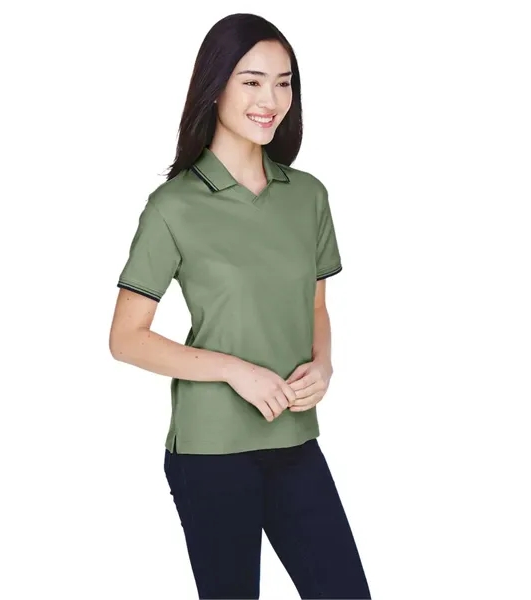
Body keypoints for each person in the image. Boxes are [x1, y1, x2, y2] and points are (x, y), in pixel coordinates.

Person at [109, 12, 372, 600]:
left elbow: (316, 307)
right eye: (252, 81)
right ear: (216, 85)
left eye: (283, 82)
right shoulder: (174, 205)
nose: (270, 100)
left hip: (295, 440)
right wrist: (235, 370)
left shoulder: (307, 195)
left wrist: (323, 365)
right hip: (211, 450)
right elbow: (126, 338)